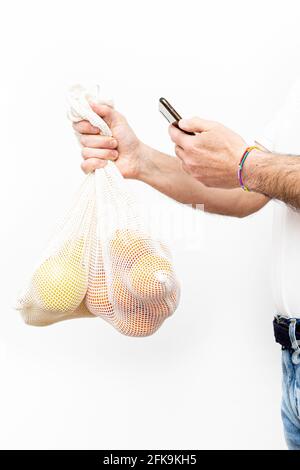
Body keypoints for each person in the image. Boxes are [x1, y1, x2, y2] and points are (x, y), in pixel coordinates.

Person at [72, 82, 300, 450]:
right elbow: (251, 191)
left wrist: (246, 163)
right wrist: (140, 160)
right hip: (293, 361)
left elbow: (253, 172)